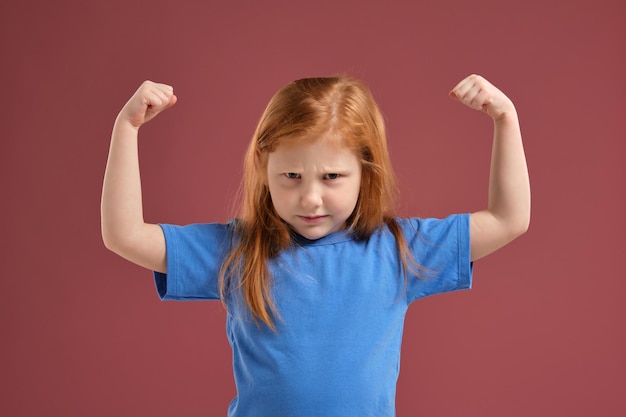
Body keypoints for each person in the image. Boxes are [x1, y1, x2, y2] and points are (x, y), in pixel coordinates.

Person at [101, 74, 530, 416]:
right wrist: (127, 128)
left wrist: (505, 118)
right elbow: (124, 235)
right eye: (291, 177)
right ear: (264, 169)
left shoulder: (398, 249)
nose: (310, 198)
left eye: (331, 177)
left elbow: (508, 219)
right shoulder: (239, 250)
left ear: (366, 171)